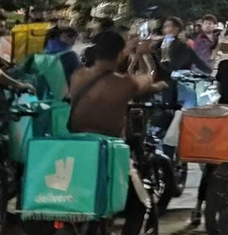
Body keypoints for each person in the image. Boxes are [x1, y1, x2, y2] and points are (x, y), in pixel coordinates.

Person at [67, 31, 163, 235]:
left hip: (76, 151)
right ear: (119, 55)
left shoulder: (78, 76)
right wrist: (144, 55)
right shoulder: (124, 84)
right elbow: (149, 78)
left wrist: (126, 52)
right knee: (139, 204)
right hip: (108, 153)